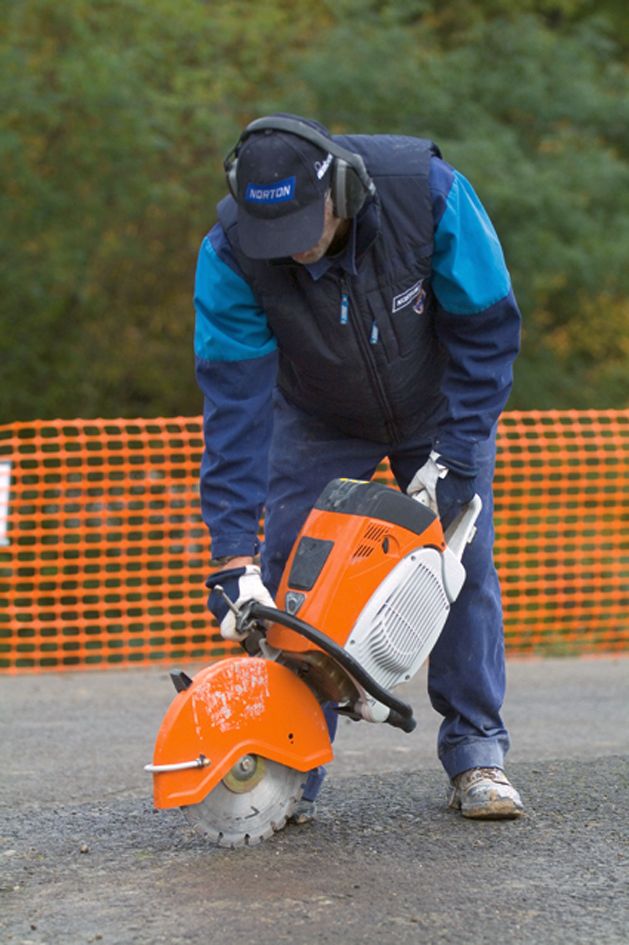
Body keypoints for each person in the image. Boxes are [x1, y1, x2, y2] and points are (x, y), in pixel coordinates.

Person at [194, 113, 524, 822]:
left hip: (438, 408)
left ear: (341, 189)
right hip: (315, 416)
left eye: (305, 230)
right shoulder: (229, 254)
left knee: (457, 568)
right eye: (275, 240)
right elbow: (233, 405)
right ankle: (292, 766)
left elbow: (488, 328)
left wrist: (458, 450)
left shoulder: (426, 193)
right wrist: (229, 550)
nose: (298, 255)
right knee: (292, 577)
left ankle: (476, 755)